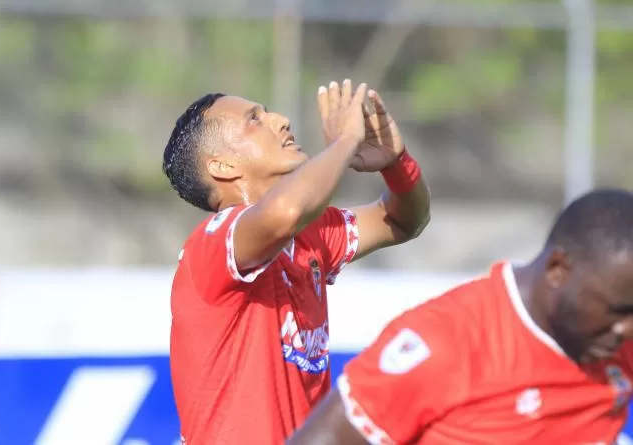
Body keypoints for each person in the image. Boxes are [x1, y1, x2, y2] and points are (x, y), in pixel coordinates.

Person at [162, 79, 430, 444]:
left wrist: (397, 163)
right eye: (255, 119)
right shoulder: (214, 241)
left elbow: (402, 220)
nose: (281, 120)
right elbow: (285, 212)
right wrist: (344, 142)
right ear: (222, 166)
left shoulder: (310, 235)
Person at [287, 188, 633, 445]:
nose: (626, 328)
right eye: (619, 310)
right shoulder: (444, 341)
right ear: (558, 269)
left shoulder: (615, 345)